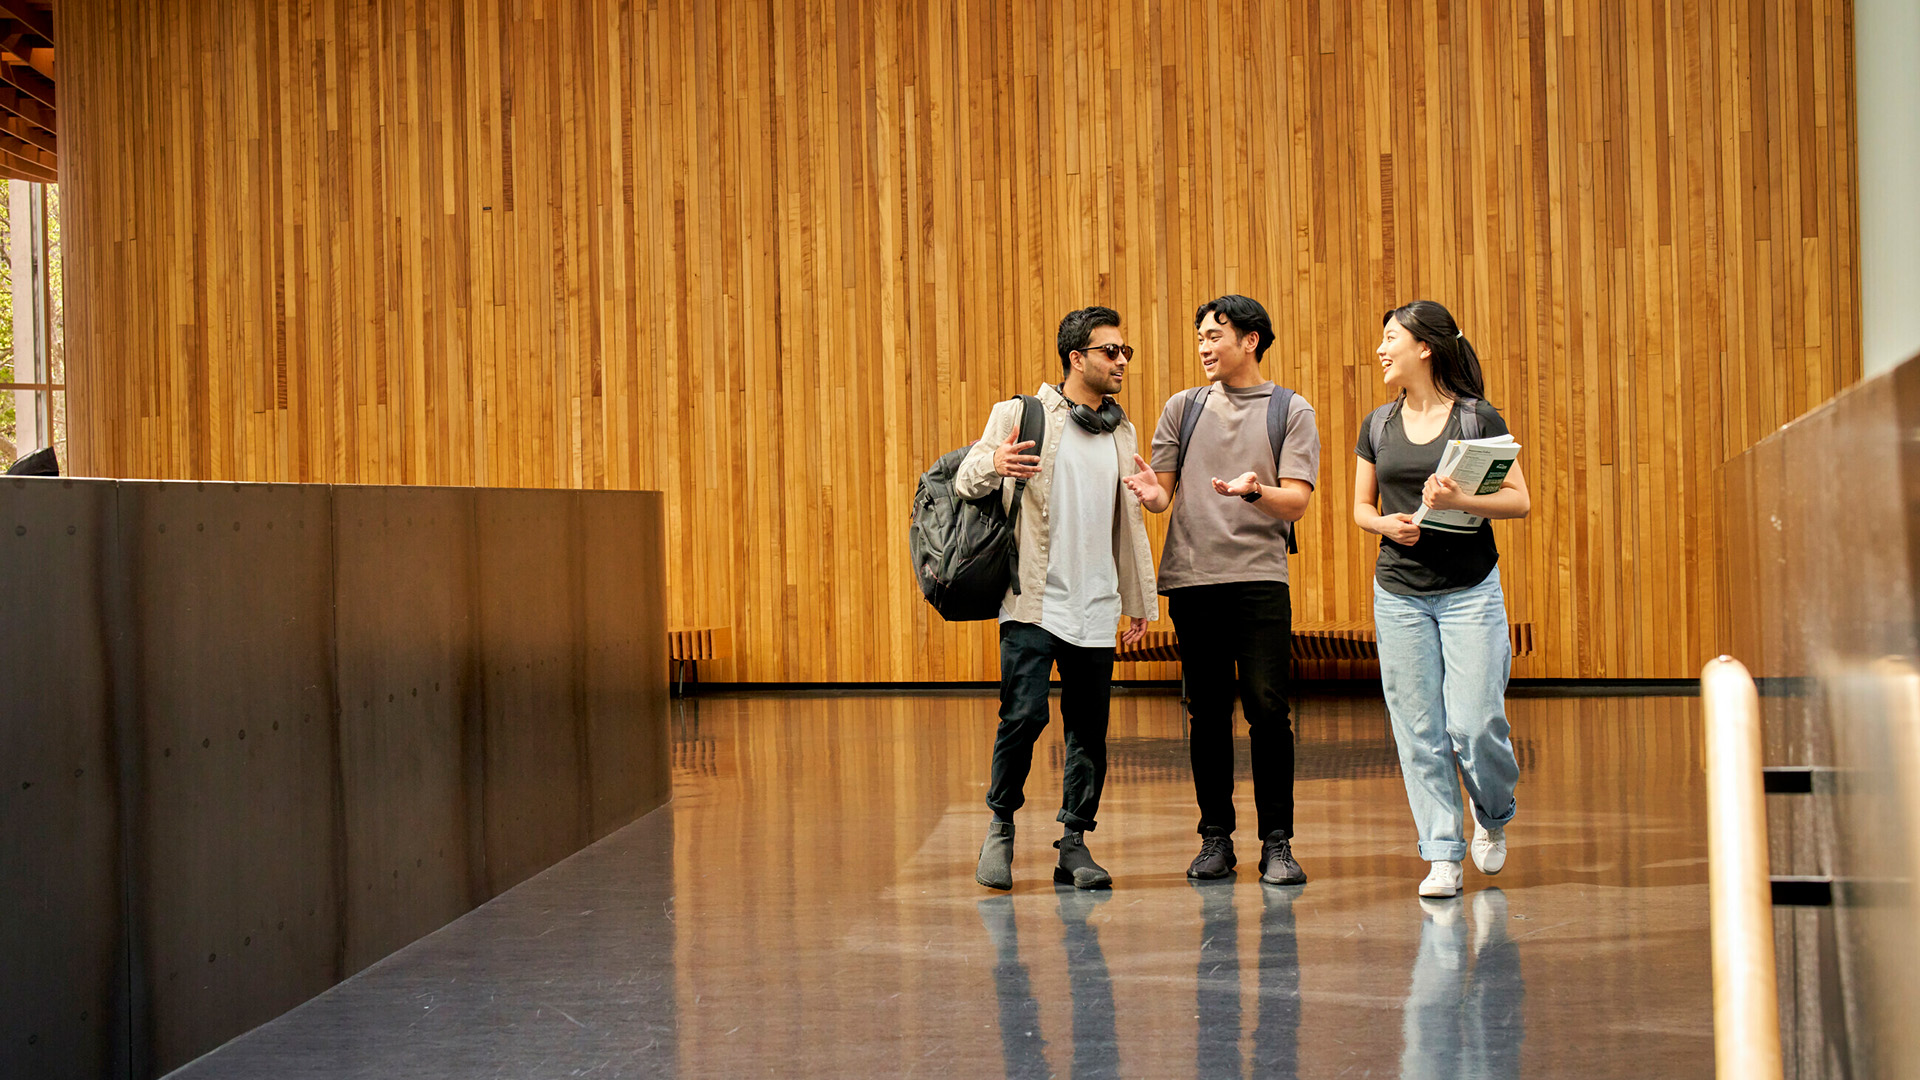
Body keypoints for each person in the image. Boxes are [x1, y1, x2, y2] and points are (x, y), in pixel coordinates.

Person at [1121, 295, 1320, 887]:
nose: (1205, 347)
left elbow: (1298, 501)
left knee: (1268, 710)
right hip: (1192, 579)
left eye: (1216, 335)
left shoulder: (1290, 409)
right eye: (1200, 337)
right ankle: (1215, 839)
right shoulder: (1181, 408)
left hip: (1259, 579)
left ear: (1251, 340)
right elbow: (1162, 494)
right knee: (1205, 713)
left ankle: (1277, 843)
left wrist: (1254, 492)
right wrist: (1147, 493)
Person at [957, 305, 1156, 891]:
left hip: (1097, 602)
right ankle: (1000, 826)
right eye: (1109, 351)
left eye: (1125, 352)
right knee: (1023, 716)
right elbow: (968, 478)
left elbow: (1127, 523)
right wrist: (995, 461)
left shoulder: (1122, 430)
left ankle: (1074, 842)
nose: (1121, 361)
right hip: (1036, 599)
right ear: (1077, 358)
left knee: (1089, 729)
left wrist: (1137, 599)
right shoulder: (1022, 414)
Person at [1351, 300, 1530, 898]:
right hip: (1399, 594)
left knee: (1476, 724)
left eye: (1390, 338)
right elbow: (1359, 510)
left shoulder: (1477, 418)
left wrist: (1460, 503)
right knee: (1418, 728)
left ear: (1423, 347)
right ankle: (1442, 854)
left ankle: (1494, 812)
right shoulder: (1377, 424)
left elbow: (1519, 501)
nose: (1381, 350)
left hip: (1470, 592)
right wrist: (1385, 526)